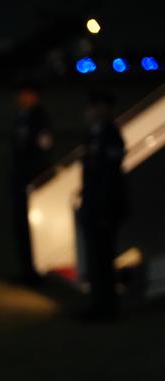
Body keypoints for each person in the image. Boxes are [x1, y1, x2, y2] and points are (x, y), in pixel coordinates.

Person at [78, 91, 127, 319]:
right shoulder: (94, 135)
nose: (90, 112)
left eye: (95, 107)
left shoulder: (110, 136)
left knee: (104, 260)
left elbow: (110, 177)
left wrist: (106, 210)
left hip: (103, 209)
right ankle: (98, 304)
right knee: (95, 259)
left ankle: (106, 308)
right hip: (93, 207)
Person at [8, 83, 54, 284]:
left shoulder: (39, 118)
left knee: (30, 228)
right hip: (20, 179)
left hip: (31, 180)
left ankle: (34, 272)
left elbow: (42, 149)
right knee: (21, 227)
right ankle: (27, 269)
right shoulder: (22, 116)